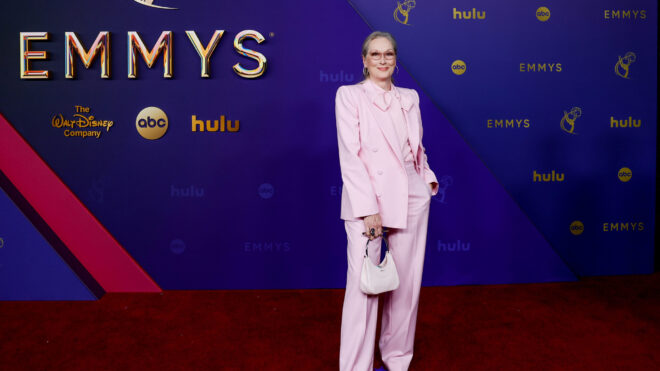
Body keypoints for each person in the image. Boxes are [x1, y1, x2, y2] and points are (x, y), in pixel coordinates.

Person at [335, 31, 438, 371]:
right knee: (365, 285)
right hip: (370, 198)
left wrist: (426, 180)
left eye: (389, 54)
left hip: (411, 192)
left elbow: (413, 146)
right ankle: (355, 367)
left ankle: (397, 359)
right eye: (375, 54)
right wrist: (367, 209)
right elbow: (351, 155)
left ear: (396, 60)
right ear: (364, 60)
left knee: (406, 285)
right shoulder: (349, 95)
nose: (382, 60)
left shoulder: (410, 96)